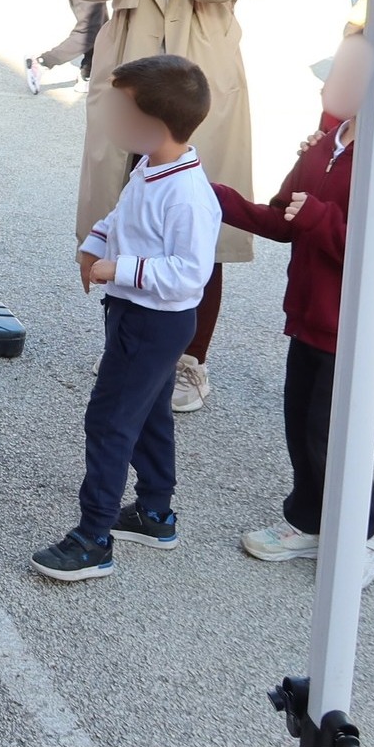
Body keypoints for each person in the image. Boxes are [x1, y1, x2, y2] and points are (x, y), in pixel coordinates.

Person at [215, 27, 374, 584]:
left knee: (335, 435)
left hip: (365, 330)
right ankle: (310, 521)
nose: (335, 81)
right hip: (313, 317)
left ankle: (367, 533)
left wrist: (318, 216)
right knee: (302, 425)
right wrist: (219, 198)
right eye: (337, 67)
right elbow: (284, 218)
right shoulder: (326, 145)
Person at [71, 0, 268, 415]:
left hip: (198, 91)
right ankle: (127, 346)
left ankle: (188, 362)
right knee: (127, 216)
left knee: (196, 226)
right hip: (133, 81)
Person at [33, 55, 219, 583]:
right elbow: (125, 215)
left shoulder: (187, 194)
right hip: (135, 314)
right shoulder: (151, 166)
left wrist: (123, 268)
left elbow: (191, 273)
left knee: (110, 421)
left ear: (154, 125)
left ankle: (94, 537)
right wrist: (95, 243)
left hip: (153, 322)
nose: (111, 119)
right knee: (151, 413)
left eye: (121, 111)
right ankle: (155, 513)